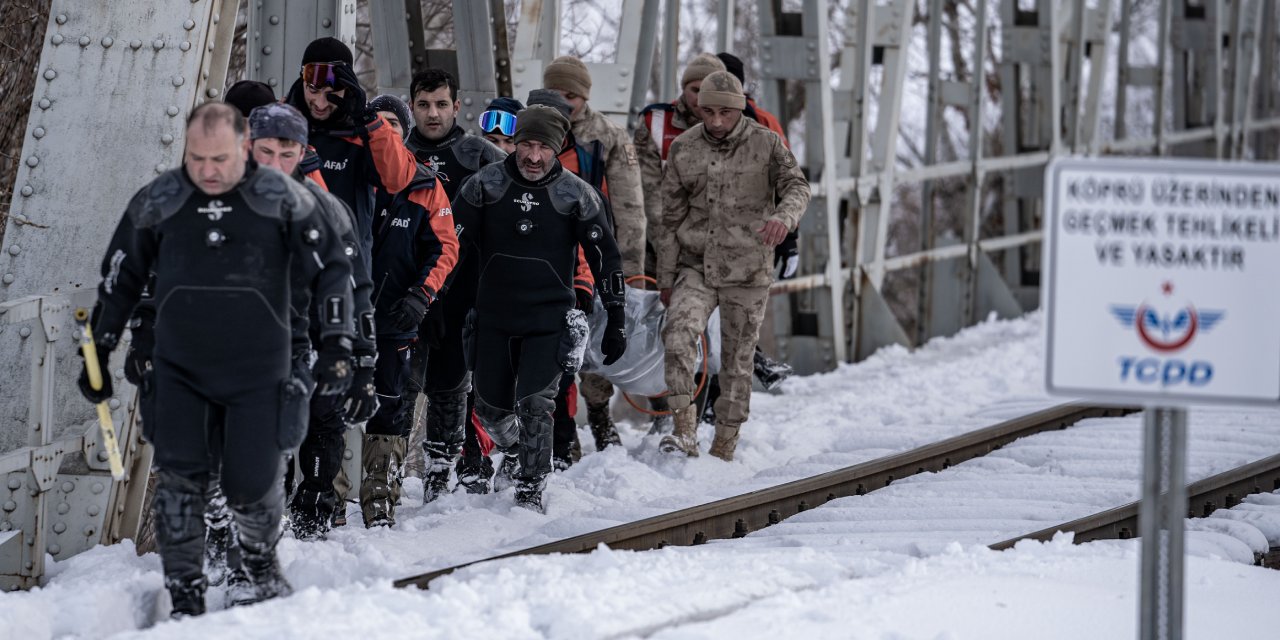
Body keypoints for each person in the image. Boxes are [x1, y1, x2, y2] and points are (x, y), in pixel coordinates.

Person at [78, 102, 355, 616]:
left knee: (251, 482)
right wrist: (99, 350)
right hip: (181, 366)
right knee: (181, 483)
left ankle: (257, 564)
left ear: (240, 151)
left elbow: (334, 274)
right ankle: (185, 595)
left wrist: (341, 346)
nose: (208, 170)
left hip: (261, 367)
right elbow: (120, 283)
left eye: (220, 159)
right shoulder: (160, 199)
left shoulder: (286, 200)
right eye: (197, 158)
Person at [452, 105, 628, 512]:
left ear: (557, 147)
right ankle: (515, 451)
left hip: (548, 318)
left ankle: (530, 489)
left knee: (536, 405)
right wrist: (433, 300)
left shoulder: (577, 194)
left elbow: (606, 258)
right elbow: (451, 249)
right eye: (525, 144)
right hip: (494, 316)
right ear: (513, 144)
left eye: (543, 147)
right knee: (490, 410)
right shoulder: (485, 185)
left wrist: (616, 318)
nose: (533, 156)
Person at [243, 103, 382, 540]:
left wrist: (363, 362)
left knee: (317, 426)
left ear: (303, 151)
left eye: (288, 154)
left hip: (307, 340)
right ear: (247, 147)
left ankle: (311, 516)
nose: (276, 165)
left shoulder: (327, 210)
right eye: (265, 152)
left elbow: (357, 290)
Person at [657, 71, 810, 461]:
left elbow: (798, 185)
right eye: (707, 111)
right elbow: (670, 218)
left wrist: (784, 217)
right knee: (677, 336)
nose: (716, 121)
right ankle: (683, 429)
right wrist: (666, 278)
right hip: (696, 265)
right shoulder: (685, 148)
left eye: (724, 112)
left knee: (738, 362)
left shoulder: (766, 142)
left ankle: (725, 443)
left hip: (748, 268)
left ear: (739, 109)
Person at [404, 68, 507, 497]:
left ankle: (440, 472)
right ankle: (389, 473)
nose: (433, 113)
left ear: (457, 106)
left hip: (462, 288)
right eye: (424, 105)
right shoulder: (396, 151)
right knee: (404, 386)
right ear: (412, 106)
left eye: (441, 104)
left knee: (451, 383)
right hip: (409, 288)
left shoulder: (479, 155)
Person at [541, 56, 649, 449]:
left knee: (597, 338)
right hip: (546, 254)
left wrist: (628, 274)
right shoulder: (534, 127)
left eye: (572, 95)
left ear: (585, 97)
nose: (565, 103)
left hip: (594, 252)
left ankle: (599, 413)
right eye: (557, 93)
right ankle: (551, 432)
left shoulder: (609, 137)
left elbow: (630, 210)